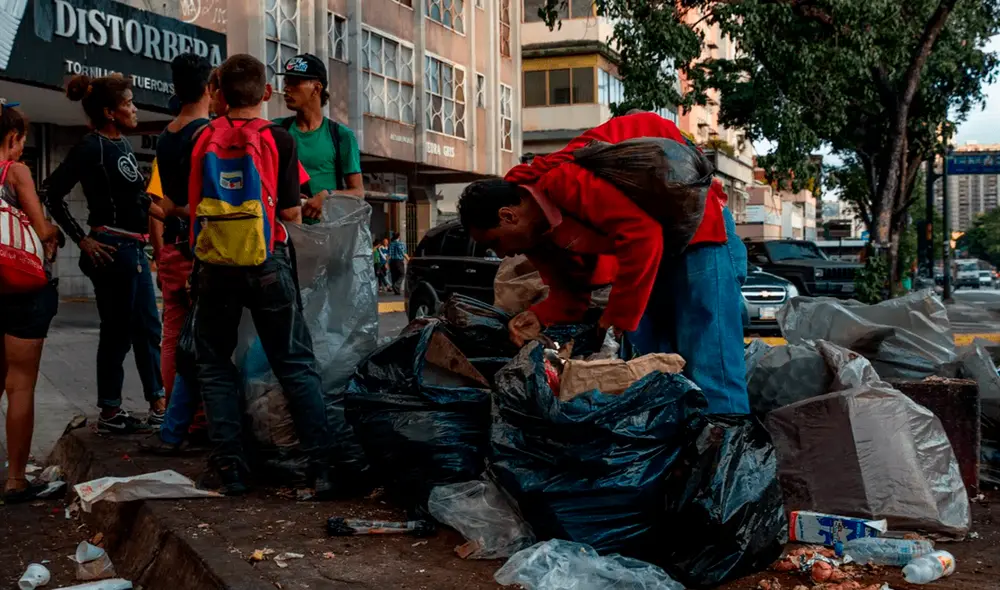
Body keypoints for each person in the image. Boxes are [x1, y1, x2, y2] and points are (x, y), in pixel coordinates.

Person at [457, 111, 749, 414]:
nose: (502, 254)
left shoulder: (561, 182)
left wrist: (618, 317)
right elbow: (571, 293)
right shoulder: (538, 242)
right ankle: (675, 441)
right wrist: (538, 316)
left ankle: (726, 439)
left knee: (707, 346)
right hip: (654, 253)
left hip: (698, 227)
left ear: (508, 216)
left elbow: (642, 234)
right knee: (646, 357)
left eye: (495, 242)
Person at [157, 54, 333, 496]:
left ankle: (231, 470)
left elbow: (182, 204)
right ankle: (323, 468)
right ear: (267, 93)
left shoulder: (202, 137)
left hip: (214, 266)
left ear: (217, 94)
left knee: (214, 365)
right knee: (294, 364)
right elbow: (292, 210)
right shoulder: (278, 139)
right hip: (267, 262)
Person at [41, 74, 166, 433]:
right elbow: (51, 192)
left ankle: (158, 403)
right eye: (129, 103)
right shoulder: (90, 147)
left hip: (134, 249)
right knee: (118, 332)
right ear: (110, 112)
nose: (135, 108)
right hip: (112, 250)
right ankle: (111, 411)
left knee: (146, 327)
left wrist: (169, 215)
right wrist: (83, 239)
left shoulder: (121, 144)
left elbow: (134, 197)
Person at [142, 54, 214, 454]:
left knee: (172, 337)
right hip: (199, 249)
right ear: (208, 89)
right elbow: (202, 202)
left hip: (171, 247)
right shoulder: (209, 134)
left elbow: (165, 201)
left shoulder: (167, 135)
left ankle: (176, 421)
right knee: (205, 341)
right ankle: (198, 422)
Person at [0, 104, 61, 502]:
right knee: (19, 386)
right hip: (19, 289)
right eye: (22, 141)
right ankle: (17, 481)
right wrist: (51, 232)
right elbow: (41, 228)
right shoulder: (15, 172)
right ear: (12, 138)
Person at [275, 53, 364, 220]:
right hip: (285, 236)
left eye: (295, 83)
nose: (286, 89)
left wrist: (328, 196)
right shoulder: (276, 131)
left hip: (327, 237)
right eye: (286, 82)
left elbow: (358, 192)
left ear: (316, 88)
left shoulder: (341, 136)